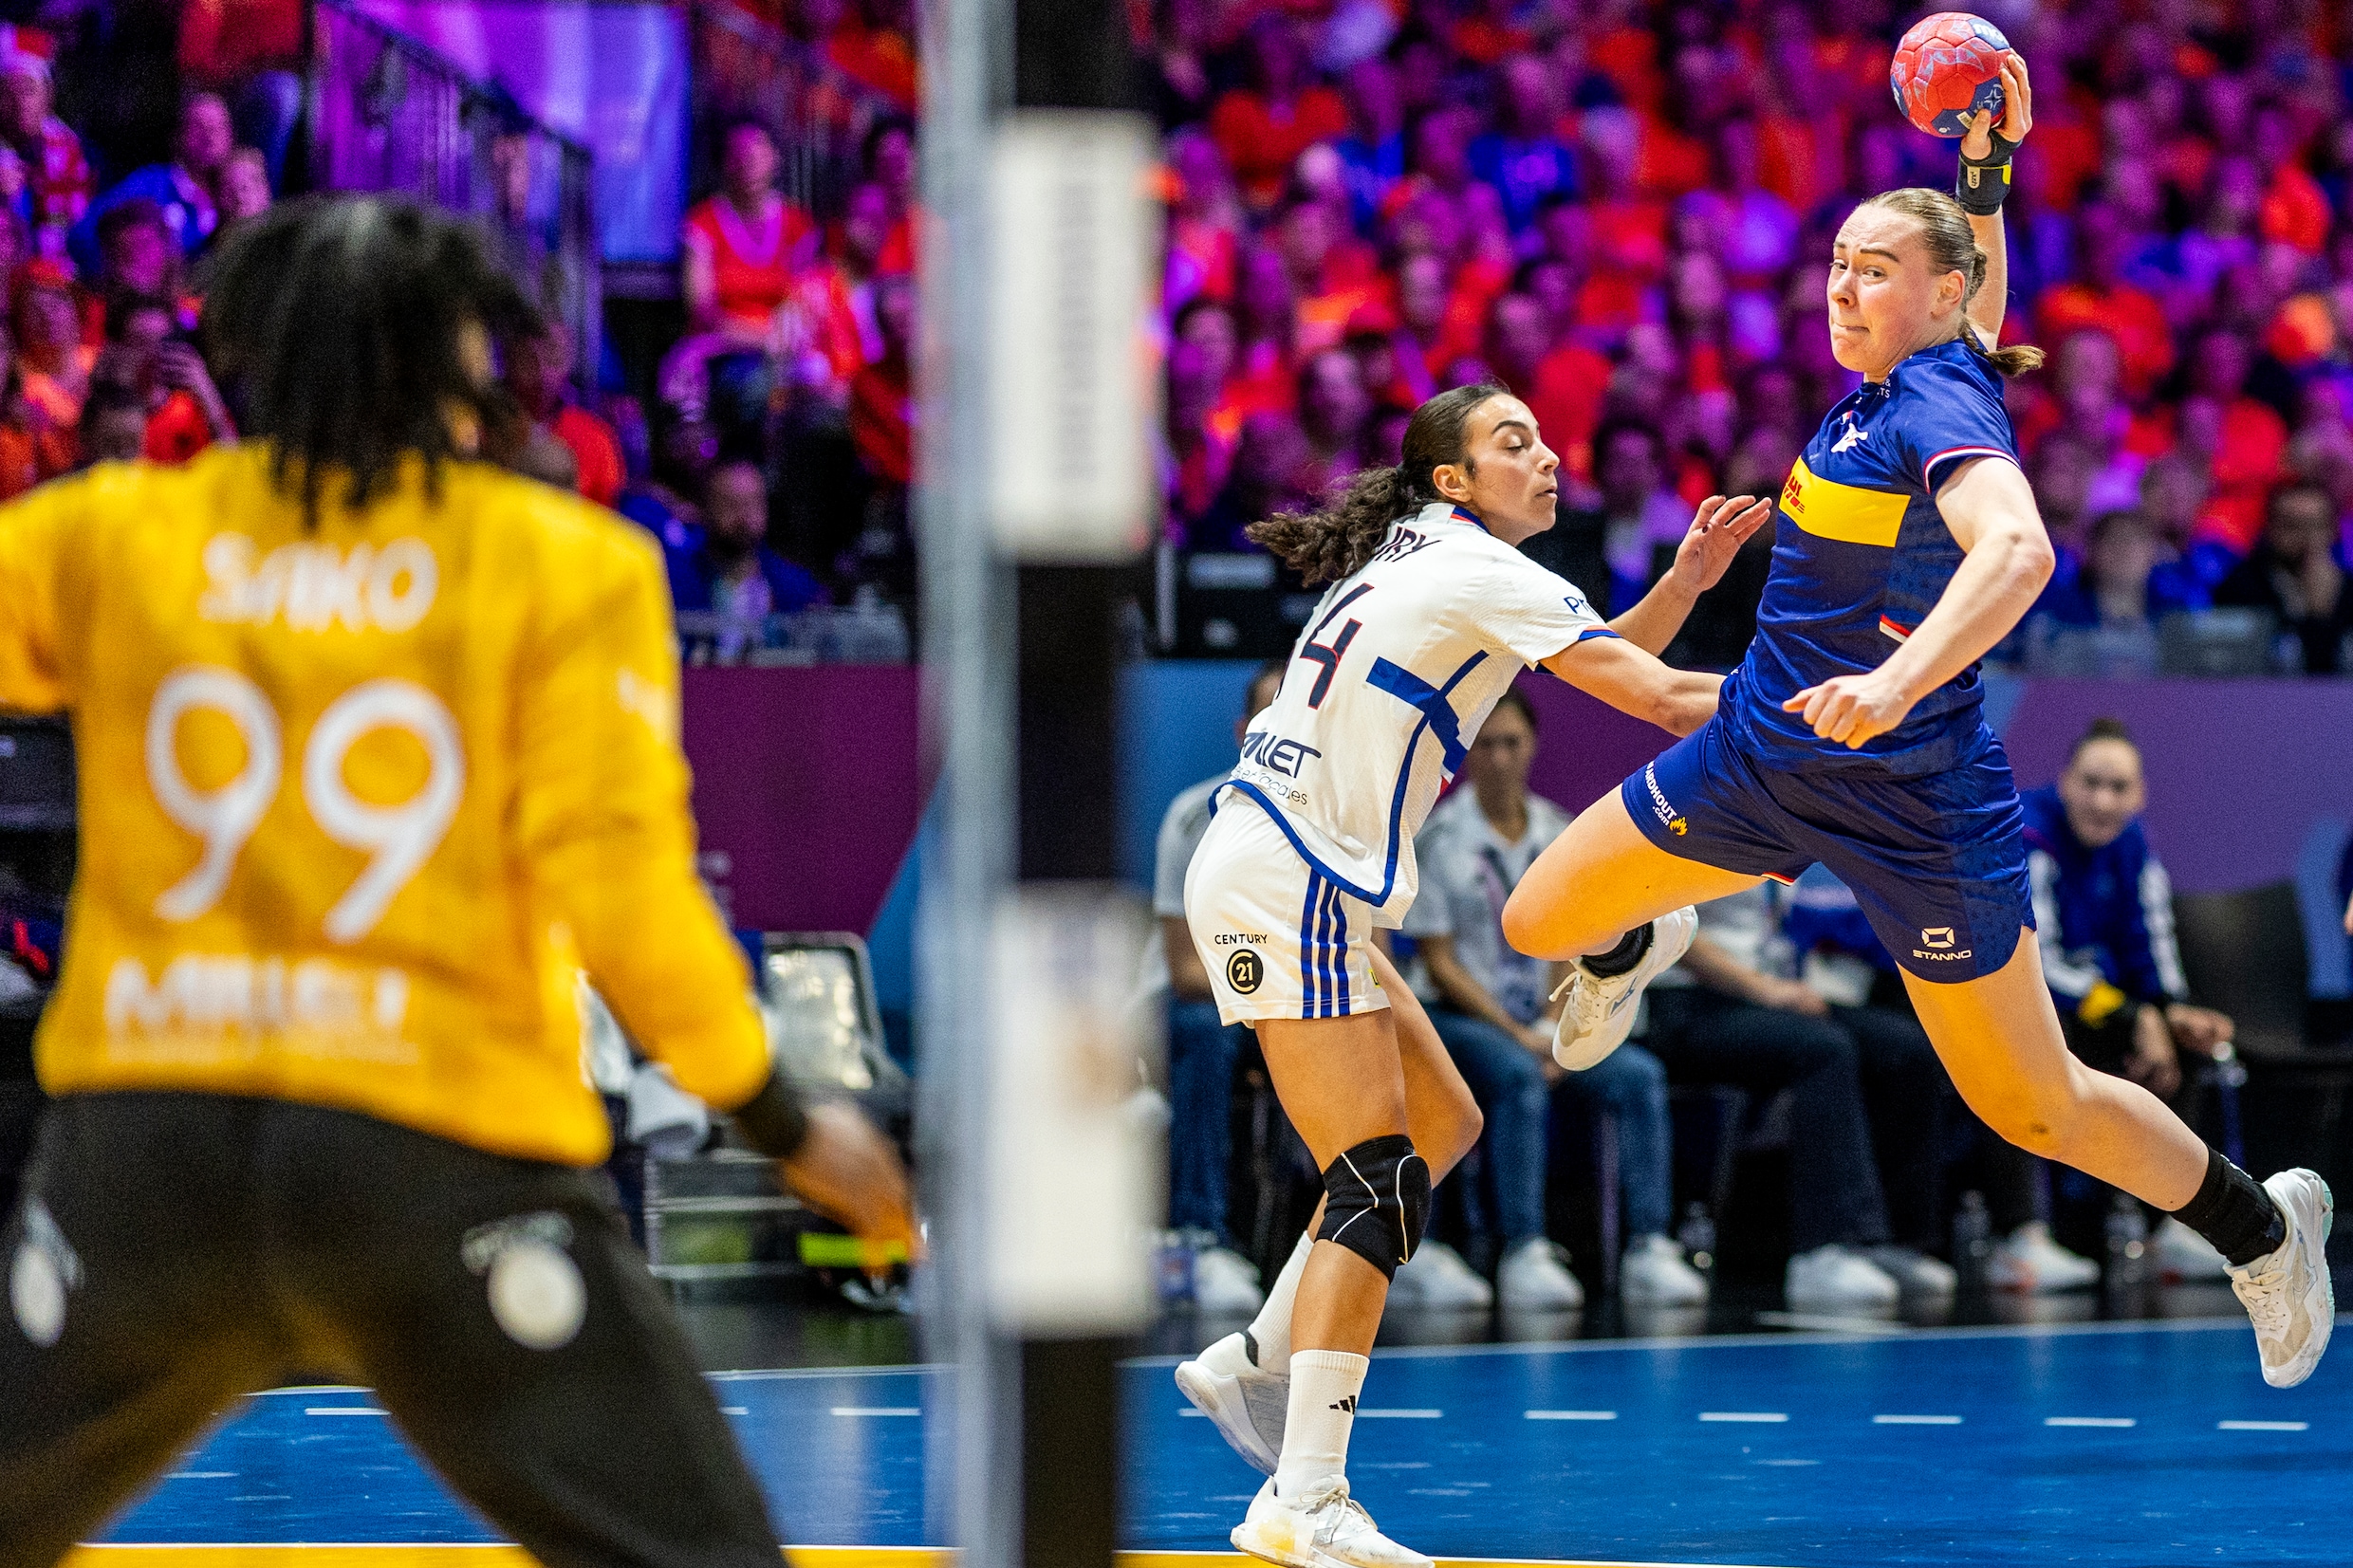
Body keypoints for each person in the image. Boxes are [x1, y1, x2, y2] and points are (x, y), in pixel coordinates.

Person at [0, 195, 916, 1566]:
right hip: (433, 1165)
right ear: (464, 370)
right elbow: (624, 893)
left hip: (149, 1160)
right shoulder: (563, 562)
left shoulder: (108, 534)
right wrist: (784, 1117)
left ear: (256, 353)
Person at [1502, 55, 2333, 1392]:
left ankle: (2264, 1225)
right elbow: (1979, 277)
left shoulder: (1942, 402)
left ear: (1937, 296)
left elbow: (2018, 555)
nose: (1844, 284)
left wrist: (1891, 688)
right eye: (1838, 261)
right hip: (1765, 754)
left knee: (2034, 1100)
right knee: (1538, 922)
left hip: (1917, 797)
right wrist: (1986, 171)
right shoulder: (1913, 373)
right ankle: (1644, 930)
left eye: (1875, 268)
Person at [1175, 378, 1769, 1566]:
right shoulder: (1476, 569)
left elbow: (1600, 659)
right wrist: (1833, 711)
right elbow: (1650, 698)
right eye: (1513, 443)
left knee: (1440, 1124)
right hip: (1288, 874)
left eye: (1543, 439)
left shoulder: (1428, 551)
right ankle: (1302, 1498)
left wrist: (1687, 588)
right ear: (1452, 479)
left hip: (1297, 874)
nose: (1545, 457)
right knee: (1379, 1177)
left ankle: (1250, 1360)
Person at [1402, 688, 1705, 1309]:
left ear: (1532, 746)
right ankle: (1524, 1247)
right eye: (1486, 745)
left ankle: (1650, 1243)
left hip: (1546, 1017)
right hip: (1463, 1017)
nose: (1500, 757)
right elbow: (1440, 960)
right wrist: (1524, 1038)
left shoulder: (1560, 833)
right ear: (1468, 756)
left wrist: (1552, 1024)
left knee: (1638, 1074)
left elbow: (1576, 942)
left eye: (1512, 742)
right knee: (1518, 1074)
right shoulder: (1440, 838)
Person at [1644, 883, 1955, 1307]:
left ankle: (1894, 1242)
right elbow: (1670, 931)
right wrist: (1766, 990)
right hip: (1684, 1003)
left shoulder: (1780, 826)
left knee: (1905, 1050)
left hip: (1766, 995)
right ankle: (1823, 1250)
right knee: (1824, 1050)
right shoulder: (1686, 823)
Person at [2022, 718, 2236, 1281]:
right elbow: (2036, 964)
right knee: (2030, 1048)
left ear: (2138, 795)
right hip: (2033, 1008)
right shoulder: (2028, 834)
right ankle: (2023, 1234)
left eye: (2118, 789)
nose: (2102, 800)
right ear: (2065, 782)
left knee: (2184, 1048)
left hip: (2101, 1004)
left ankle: (2171, 1223)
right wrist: (2133, 1015)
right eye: (2090, 783)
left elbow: (2152, 942)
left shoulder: (2135, 846)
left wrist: (2170, 1011)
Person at [1151, 660, 1288, 1315]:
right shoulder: (1193, 817)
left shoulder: (1340, 824)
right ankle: (1199, 1235)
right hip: (1195, 1002)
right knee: (1207, 1035)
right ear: (1242, 733)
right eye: (1266, 721)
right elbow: (1184, 972)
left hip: (1282, 1001)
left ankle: (1374, 1243)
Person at [67, 91, 233, 279]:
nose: (209, 136)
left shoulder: (239, 191)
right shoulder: (151, 184)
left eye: (219, 127)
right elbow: (82, 235)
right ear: (178, 135)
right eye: (199, 126)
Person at [2213, 480, 2351, 675]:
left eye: (2316, 525)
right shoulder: (2241, 587)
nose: (2307, 538)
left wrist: (2322, 613)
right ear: (2270, 529)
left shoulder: (2349, 590)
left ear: (2333, 530)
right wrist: (2315, 617)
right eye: (2293, 526)